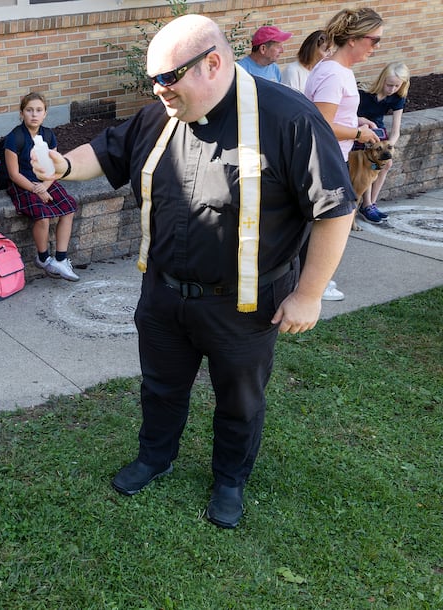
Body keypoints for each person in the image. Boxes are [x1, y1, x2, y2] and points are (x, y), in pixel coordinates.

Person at [32, 14, 355, 528]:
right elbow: (108, 149)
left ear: (213, 63)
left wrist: (310, 293)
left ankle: (229, 480)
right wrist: (62, 165)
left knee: (240, 400)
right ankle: (155, 458)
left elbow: (335, 208)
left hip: (244, 305)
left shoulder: (287, 118)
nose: (158, 90)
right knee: (160, 386)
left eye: (168, 77)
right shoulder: (162, 113)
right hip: (162, 294)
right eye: (152, 80)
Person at [305, 7, 384, 299]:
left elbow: (330, 114)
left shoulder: (336, 70)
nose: (376, 48)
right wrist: (358, 133)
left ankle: (313, 282)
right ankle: (313, 285)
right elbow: (322, 124)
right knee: (326, 223)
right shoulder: (333, 73)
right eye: (374, 40)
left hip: (330, 155)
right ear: (353, 39)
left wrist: (356, 121)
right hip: (325, 158)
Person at [4, 92, 80, 281]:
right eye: (29, 110)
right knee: (43, 216)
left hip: (45, 181)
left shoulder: (48, 135)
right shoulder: (14, 138)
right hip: (23, 185)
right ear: (22, 113)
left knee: (69, 208)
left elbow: (54, 166)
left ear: (45, 113)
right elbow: (14, 174)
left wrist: (45, 186)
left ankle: (61, 259)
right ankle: (43, 258)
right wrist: (36, 190)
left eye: (39, 110)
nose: (34, 114)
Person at [358, 61, 410, 218]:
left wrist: (389, 148)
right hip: (360, 130)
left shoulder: (397, 98)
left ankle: (372, 203)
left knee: (387, 163)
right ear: (382, 80)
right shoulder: (363, 92)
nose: (392, 89)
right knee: (370, 163)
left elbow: (396, 131)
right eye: (389, 85)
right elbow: (348, 115)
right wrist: (363, 123)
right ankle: (366, 204)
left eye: (397, 86)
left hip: (378, 135)